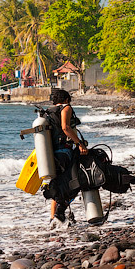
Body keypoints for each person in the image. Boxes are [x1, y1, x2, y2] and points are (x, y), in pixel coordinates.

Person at [45, 89, 88, 224]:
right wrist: (79, 143)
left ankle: (54, 219)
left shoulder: (48, 112)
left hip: (52, 153)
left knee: (58, 186)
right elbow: (65, 128)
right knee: (75, 183)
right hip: (65, 152)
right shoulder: (66, 108)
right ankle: (60, 211)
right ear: (66, 100)